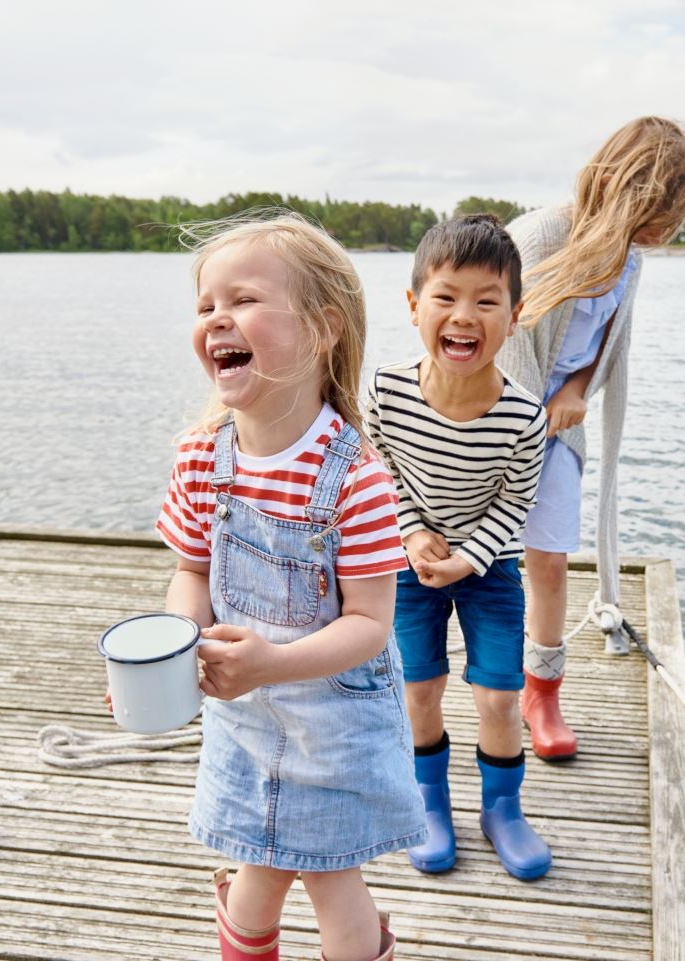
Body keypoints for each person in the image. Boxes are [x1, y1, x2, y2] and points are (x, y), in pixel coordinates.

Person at [152, 211, 425, 961]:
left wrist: (271, 662)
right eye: (205, 305)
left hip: (334, 723)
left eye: (242, 300)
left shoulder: (356, 478)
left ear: (322, 327)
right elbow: (192, 573)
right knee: (256, 867)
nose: (216, 319)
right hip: (243, 720)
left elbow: (371, 624)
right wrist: (175, 655)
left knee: (332, 877)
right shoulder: (202, 458)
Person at [500, 116, 685, 761]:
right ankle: (465, 682)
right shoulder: (538, 237)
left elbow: (606, 343)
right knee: (472, 562)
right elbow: (493, 331)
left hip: (559, 426)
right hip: (493, 418)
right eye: (658, 215)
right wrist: (524, 416)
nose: (664, 233)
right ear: (622, 188)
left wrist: (575, 392)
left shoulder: (630, 262)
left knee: (551, 561)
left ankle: (542, 690)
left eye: (674, 221)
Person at [366, 214, 552, 880]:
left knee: (500, 695)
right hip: (411, 563)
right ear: (415, 305)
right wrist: (414, 533)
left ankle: (502, 809)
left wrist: (469, 557)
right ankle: (429, 800)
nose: (463, 316)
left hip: (489, 567)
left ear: (516, 312)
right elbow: (379, 464)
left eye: (486, 299)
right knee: (420, 687)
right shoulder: (387, 390)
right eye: (445, 297)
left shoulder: (524, 416)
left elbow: (515, 503)